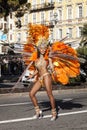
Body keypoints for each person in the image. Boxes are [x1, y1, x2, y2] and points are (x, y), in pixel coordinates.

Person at [28, 39, 57, 121]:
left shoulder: (48, 58)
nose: (43, 50)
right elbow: (37, 70)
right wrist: (32, 75)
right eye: (41, 48)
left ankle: (54, 113)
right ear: (38, 49)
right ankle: (38, 112)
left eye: (44, 48)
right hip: (40, 78)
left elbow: (51, 67)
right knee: (31, 94)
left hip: (46, 76)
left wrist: (53, 70)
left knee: (49, 94)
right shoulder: (36, 59)